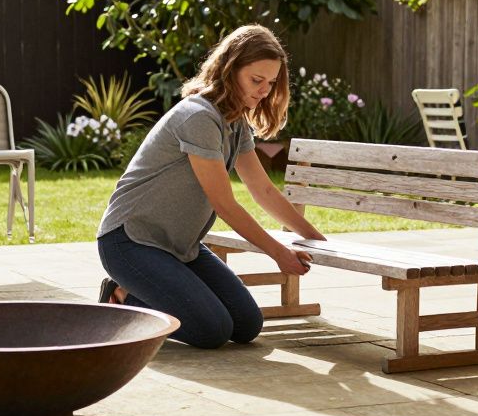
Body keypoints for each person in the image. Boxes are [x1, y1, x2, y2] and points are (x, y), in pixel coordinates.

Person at [96, 25, 323, 348]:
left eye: (270, 83)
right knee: (210, 331)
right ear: (230, 70)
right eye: (256, 80)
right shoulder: (198, 117)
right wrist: (277, 252)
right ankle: (123, 296)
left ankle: (145, 292)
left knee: (246, 325)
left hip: (181, 248)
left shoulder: (235, 122)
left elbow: (264, 190)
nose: (263, 91)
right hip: (131, 243)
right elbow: (225, 203)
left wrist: (316, 239)